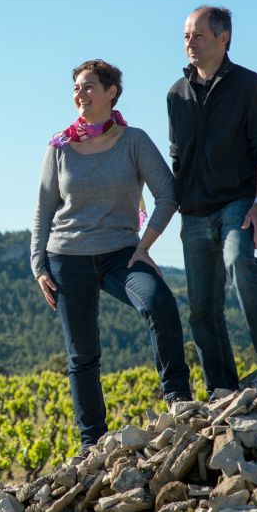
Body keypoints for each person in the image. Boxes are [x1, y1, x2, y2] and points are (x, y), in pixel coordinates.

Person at [31, 59, 193, 452]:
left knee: (160, 304)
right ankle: (93, 443)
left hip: (122, 253)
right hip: (66, 257)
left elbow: (168, 194)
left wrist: (145, 245)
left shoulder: (134, 140)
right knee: (82, 355)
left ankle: (178, 399)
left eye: (88, 86)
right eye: (76, 88)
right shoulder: (59, 147)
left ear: (111, 92)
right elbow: (44, 209)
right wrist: (38, 265)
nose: (80, 94)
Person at [167, 6, 257, 398]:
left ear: (223, 38)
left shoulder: (250, 86)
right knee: (202, 308)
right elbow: (177, 155)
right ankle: (222, 388)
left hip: (238, 202)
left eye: (198, 34)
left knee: (240, 261)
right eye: (186, 35)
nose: (190, 42)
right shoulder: (176, 93)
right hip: (194, 212)